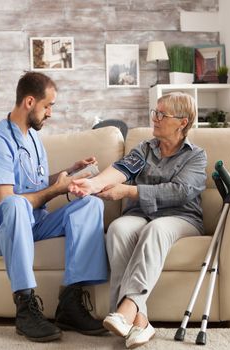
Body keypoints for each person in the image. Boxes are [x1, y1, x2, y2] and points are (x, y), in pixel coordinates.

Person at [0, 72, 108, 343]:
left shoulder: (33, 138)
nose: (50, 113)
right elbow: (7, 200)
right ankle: (25, 307)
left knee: (90, 204)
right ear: (30, 102)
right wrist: (55, 190)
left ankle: (71, 302)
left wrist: (67, 174)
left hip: (34, 221)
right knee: (15, 205)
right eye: (48, 106)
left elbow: (32, 184)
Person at [69, 92, 207, 349]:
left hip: (181, 217)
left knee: (155, 230)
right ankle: (138, 321)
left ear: (183, 122)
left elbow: (181, 192)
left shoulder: (195, 156)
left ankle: (126, 310)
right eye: (155, 112)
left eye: (162, 114)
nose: (154, 118)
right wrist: (93, 183)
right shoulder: (145, 149)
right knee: (119, 228)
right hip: (140, 214)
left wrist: (130, 192)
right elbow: (121, 169)